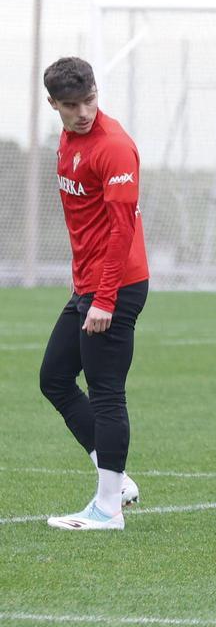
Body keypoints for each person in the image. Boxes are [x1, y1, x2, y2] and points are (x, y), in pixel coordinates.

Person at [39, 56, 149, 531]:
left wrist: (104, 299)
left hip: (116, 285)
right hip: (88, 283)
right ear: (54, 104)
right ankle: (117, 482)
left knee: (106, 393)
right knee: (54, 378)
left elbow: (122, 231)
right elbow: (85, 223)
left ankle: (108, 509)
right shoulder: (67, 141)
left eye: (89, 100)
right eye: (71, 105)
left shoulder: (114, 147)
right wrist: (83, 283)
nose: (83, 112)